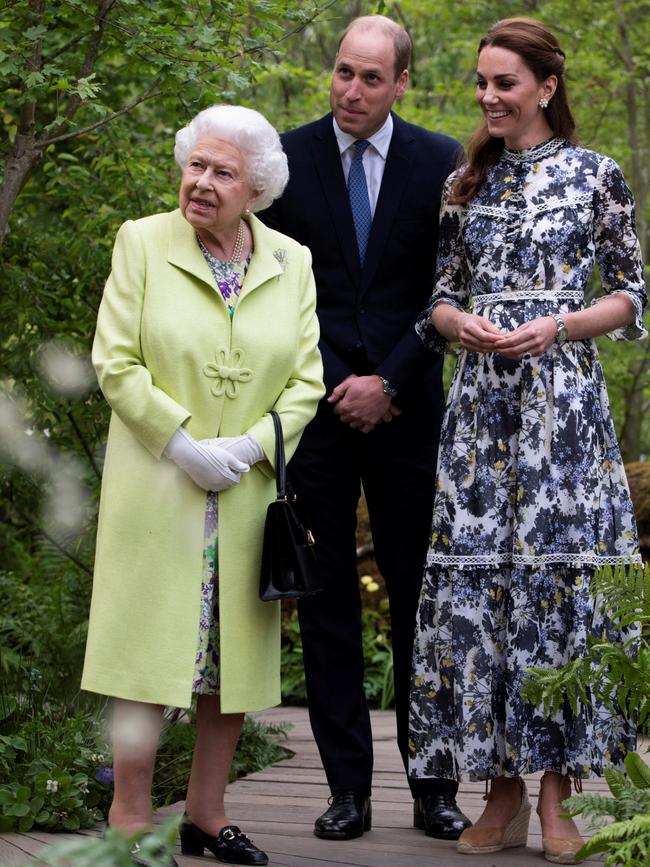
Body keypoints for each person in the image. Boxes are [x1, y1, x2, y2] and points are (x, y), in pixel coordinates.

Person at [409, 16, 646, 865]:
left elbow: (630, 296)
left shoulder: (596, 177)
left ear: (545, 86)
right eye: (481, 82)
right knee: (485, 596)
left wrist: (562, 325)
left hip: (562, 412)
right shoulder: (464, 183)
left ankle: (555, 794)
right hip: (480, 418)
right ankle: (497, 793)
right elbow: (437, 297)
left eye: (503, 82)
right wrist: (457, 322)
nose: (486, 96)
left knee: (553, 588)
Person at [81, 104, 324, 866]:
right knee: (146, 655)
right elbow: (115, 361)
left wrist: (252, 445)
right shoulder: (143, 242)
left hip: (246, 494)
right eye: (195, 165)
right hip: (161, 484)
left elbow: (307, 379)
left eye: (223, 172)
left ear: (256, 188)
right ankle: (128, 813)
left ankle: (206, 814)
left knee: (226, 661)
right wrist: (182, 444)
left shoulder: (293, 260)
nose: (202, 183)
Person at [261, 14, 470, 842]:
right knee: (327, 604)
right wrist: (334, 379)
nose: (350, 90)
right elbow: (271, 284)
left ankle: (434, 788)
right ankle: (346, 788)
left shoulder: (442, 161)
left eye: (370, 78)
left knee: (424, 597)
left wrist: (389, 377)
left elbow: (449, 285)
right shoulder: (286, 157)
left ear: (402, 84)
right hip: (314, 413)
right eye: (343, 72)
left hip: (409, 407)